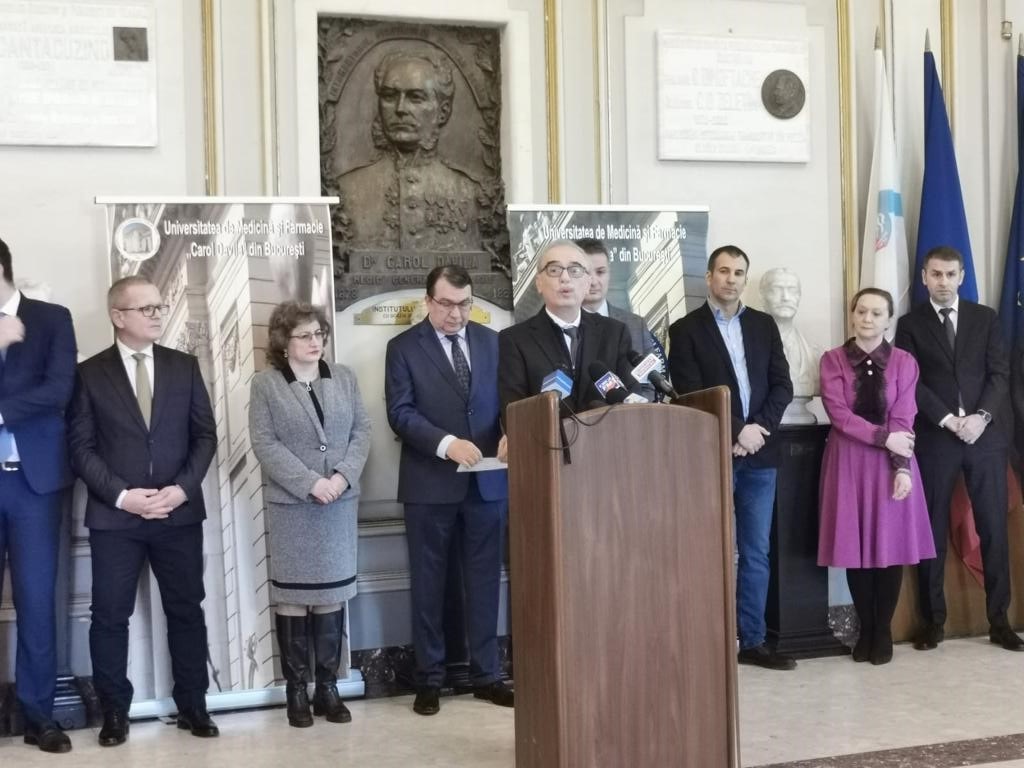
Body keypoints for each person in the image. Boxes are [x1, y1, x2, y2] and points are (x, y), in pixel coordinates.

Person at [68, 276, 218, 746]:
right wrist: (123, 496)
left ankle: (194, 705)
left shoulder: (183, 366)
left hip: (177, 513)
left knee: (186, 610)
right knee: (109, 617)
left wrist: (181, 489)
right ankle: (115, 712)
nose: (157, 314)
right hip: (117, 517)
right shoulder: (89, 374)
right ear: (118, 316)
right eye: (146, 308)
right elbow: (81, 448)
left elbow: (205, 436)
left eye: (159, 307)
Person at [385, 264, 512, 716]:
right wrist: (446, 444)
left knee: (485, 582)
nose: (456, 314)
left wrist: (511, 430)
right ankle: (430, 679)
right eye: (446, 304)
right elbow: (400, 413)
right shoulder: (402, 347)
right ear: (428, 302)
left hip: (488, 483)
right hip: (429, 485)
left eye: (464, 304)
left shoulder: (494, 342)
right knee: (429, 584)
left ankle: (487, 675)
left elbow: (510, 400)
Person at [668, 244, 796, 670]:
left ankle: (753, 640)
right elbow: (689, 393)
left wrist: (756, 430)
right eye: (723, 271)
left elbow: (782, 385)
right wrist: (736, 429)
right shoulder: (685, 330)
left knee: (756, 552)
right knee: (710, 552)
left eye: (739, 272)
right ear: (709, 277)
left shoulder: (763, 324)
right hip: (711, 456)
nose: (731, 279)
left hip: (760, 455)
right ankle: (709, 641)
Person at [894, 245, 1024, 652]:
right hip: (937, 438)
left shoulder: (985, 318)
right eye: (936, 274)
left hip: (985, 438)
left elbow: (999, 373)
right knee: (930, 528)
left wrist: (981, 417)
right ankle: (932, 622)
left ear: (962, 276)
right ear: (924, 277)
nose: (943, 282)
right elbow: (911, 381)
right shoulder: (909, 324)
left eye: (951, 274)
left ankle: (1000, 622)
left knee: (993, 528)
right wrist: (949, 420)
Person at [249, 300, 371, 727]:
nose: (314, 342)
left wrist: (341, 477)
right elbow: (264, 443)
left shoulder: (344, 377)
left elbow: (362, 431)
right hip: (294, 507)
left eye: (319, 334)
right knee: (294, 599)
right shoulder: (266, 385)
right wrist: (310, 483)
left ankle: (328, 688)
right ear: (283, 342)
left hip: (338, 503)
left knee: (331, 595)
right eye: (304, 335)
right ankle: (296, 691)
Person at [817, 288, 936, 665]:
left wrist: (902, 468)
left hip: (891, 461)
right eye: (862, 311)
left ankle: (881, 631)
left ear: (888, 320)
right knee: (855, 549)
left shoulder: (904, 362)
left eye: (876, 313)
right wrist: (885, 438)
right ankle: (865, 629)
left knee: (889, 548)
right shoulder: (832, 360)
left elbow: (904, 417)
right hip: (848, 461)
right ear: (852, 315)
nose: (868, 319)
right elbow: (840, 416)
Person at [0, 236, 77, 754]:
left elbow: (58, 391)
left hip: (34, 482)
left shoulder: (51, 319)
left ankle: (39, 716)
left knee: (37, 600)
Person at [337, 51, 482, 251]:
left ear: (443, 112)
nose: (400, 109)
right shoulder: (347, 189)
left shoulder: (470, 192)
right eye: (389, 96)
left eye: (415, 98)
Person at [498, 240, 641, 418]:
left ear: (588, 283)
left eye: (575, 270)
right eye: (554, 270)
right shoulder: (515, 340)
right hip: (547, 435)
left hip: (609, 434)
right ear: (539, 283)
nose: (565, 278)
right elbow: (513, 414)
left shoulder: (614, 333)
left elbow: (633, 402)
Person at [576, 237, 661, 401]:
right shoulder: (567, 326)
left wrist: (636, 411)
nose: (594, 281)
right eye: (587, 273)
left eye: (600, 272)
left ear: (609, 274)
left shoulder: (635, 325)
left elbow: (650, 385)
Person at [758, 267, 820, 398]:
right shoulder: (749, 349)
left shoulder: (815, 353)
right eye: (776, 289)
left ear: (799, 297)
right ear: (762, 297)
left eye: (792, 291)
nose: (785, 298)